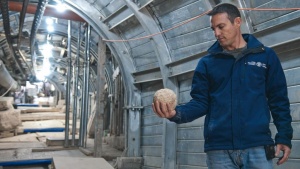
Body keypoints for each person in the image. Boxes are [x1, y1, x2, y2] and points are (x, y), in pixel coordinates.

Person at [152, 3, 293, 169]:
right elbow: (200, 102)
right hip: (219, 150)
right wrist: (175, 113)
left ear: (237, 22)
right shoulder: (207, 63)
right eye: (213, 29)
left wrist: (284, 136)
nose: (217, 33)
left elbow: (279, 100)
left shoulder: (265, 56)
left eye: (221, 26)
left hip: (257, 146)